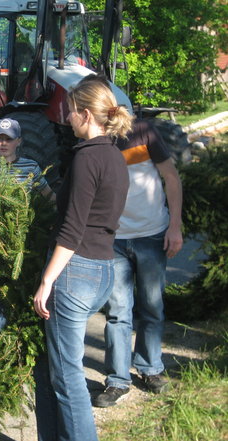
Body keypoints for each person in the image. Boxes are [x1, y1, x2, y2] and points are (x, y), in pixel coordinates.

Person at [32, 75, 133, 441]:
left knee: (69, 378)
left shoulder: (87, 158)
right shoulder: (115, 157)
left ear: (87, 114)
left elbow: (72, 230)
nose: (67, 118)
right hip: (105, 267)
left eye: (72, 111)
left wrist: (47, 281)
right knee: (58, 368)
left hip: (75, 272)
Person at [92, 118, 183, 408]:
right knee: (118, 311)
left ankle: (150, 368)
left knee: (151, 307)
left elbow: (171, 177)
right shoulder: (94, 141)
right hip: (115, 240)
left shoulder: (143, 132)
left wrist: (175, 227)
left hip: (152, 235)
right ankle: (118, 380)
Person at [0, 118, 55, 201]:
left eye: (9, 139)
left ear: (18, 141)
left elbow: (48, 195)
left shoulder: (31, 167)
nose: (4, 143)